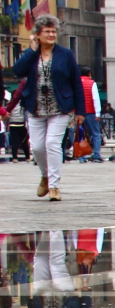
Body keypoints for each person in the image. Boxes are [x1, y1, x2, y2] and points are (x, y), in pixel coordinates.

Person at [11, 16, 79, 200]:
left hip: (60, 107)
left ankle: (55, 186)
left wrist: (80, 110)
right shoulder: (32, 54)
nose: (51, 35)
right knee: (37, 147)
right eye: (47, 31)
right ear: (38, 34)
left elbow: (76, 82)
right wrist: (32, 50)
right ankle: (45, 177)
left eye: (53, 31)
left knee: (52, 144)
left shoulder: (65, 54)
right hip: (36, 106)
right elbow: (17, 70)